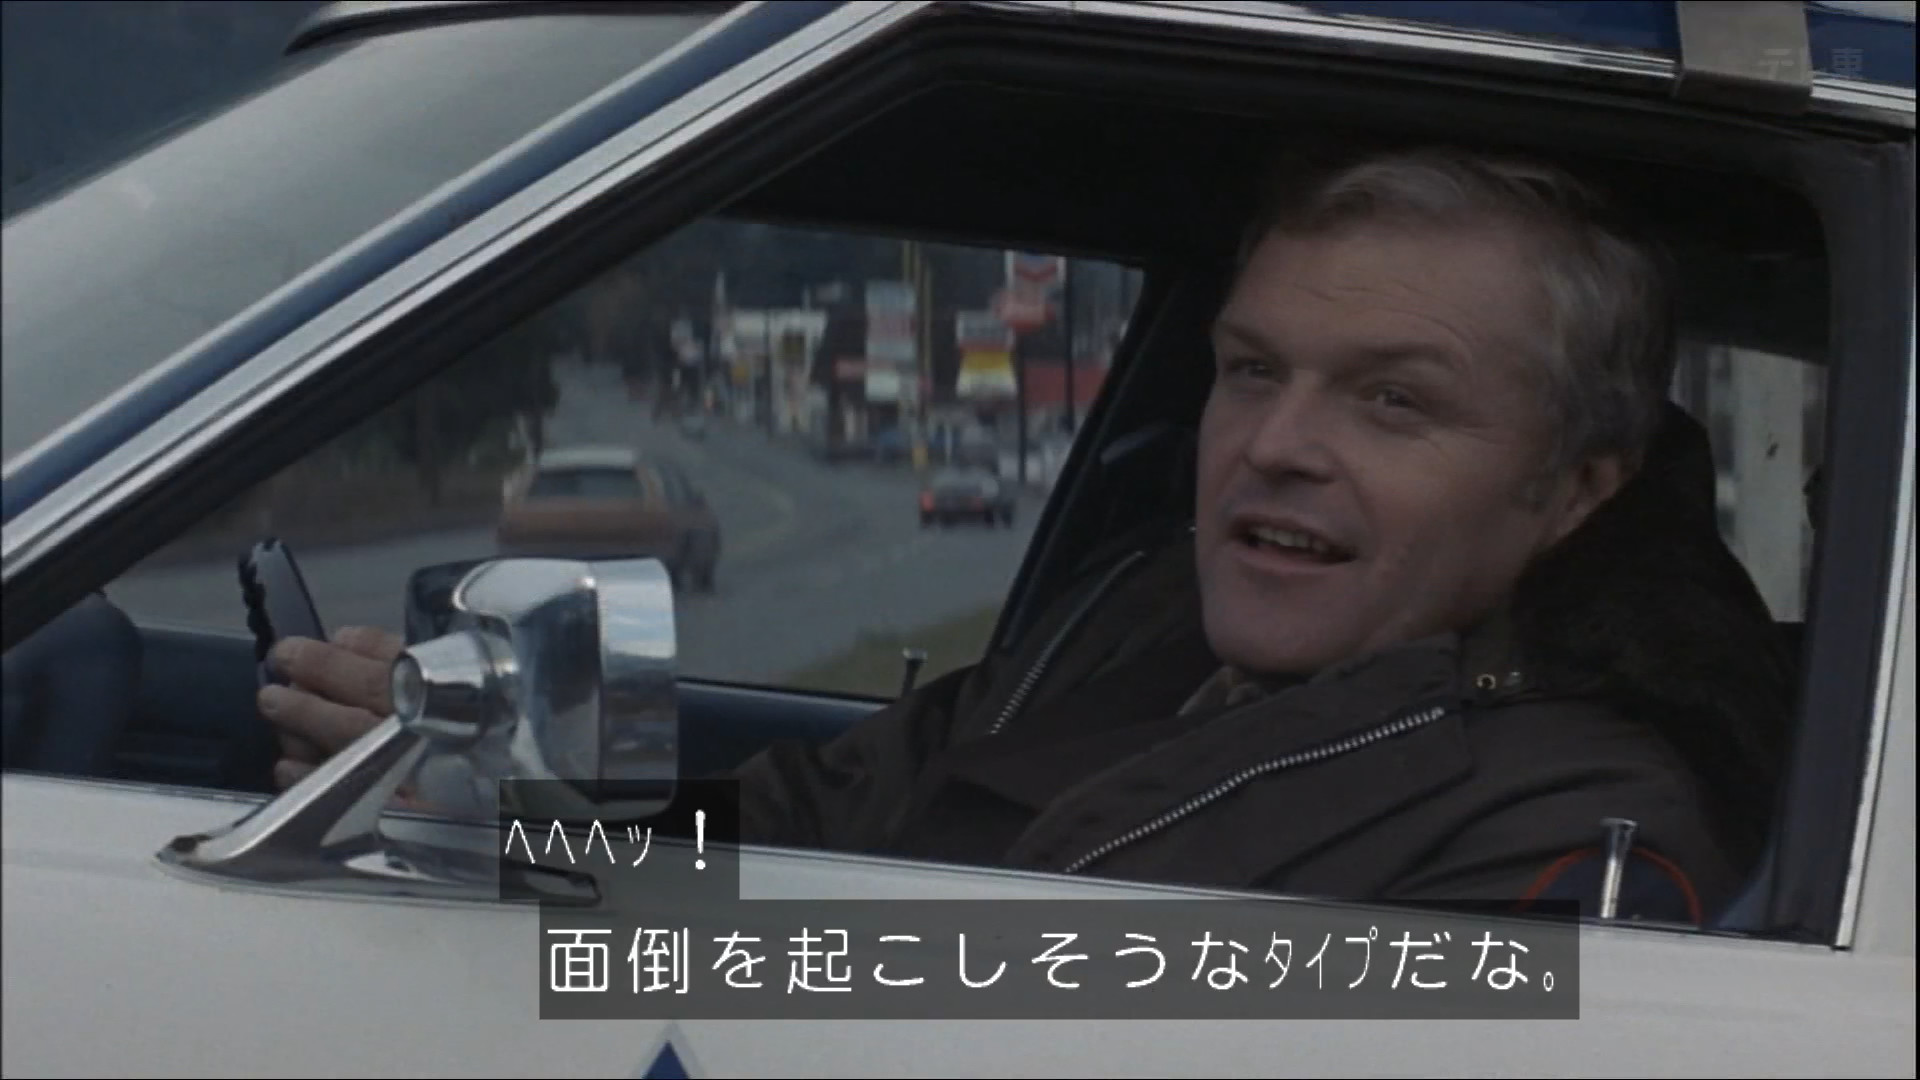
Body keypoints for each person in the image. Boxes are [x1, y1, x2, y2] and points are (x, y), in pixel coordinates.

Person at [259, 145, 1792, 924]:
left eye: (1394, 402)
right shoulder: (1141, 616)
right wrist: (499, 814)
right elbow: (802, 838)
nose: (1274, 445)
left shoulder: (1585, 839)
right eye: (1252, 370)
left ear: (1574, 489)